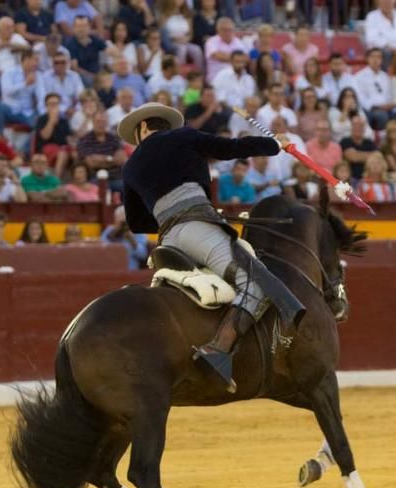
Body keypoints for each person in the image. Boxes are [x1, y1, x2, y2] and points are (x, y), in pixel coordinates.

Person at [118, 102, 300, 392]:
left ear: (142, 128)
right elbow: (230, 149)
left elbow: (137, 221)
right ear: (164, 124)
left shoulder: (130, 167)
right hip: (197, 230)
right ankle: (218, 348)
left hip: (167, 241)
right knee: (255, 282)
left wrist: (170, 215)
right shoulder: (183, 136)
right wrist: (274, 144)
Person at [355, 49, 396, 131]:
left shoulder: (385, 77)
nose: (376, 60)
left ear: (382, 60)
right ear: (367, 59)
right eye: (373, 57)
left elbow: (390, 96)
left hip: (388, 109)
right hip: (371, 110)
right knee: (381, 116)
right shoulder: (359, 77)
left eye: (378, 57)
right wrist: (378, 107)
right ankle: (382, 140)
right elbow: (362, 100)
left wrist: (391, 105)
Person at [0, 50, 43, 134]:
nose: (37, 63)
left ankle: (26, 147)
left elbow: (42, 96)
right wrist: (25, 84)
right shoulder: (9, 72)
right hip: (9, 110)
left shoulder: (38, 75)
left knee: (40, 127)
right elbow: (6, 91)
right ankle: (0, 135)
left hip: (27, 112)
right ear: (26, 59)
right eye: (35, 60)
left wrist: (42, 114)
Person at [77, 111, 126, 188]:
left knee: (128, 188)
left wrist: (101, 159)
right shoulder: (85, 140)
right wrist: (112, 160)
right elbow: (91, 163)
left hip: (116, 178)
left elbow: (121, 159)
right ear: (93, 122)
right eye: (98, 121)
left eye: (104, 122)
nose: (101, 124)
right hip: (95, 179)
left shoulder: (113, 138)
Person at [0, 16, 30, 94]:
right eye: (8, 28)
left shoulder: (17, 38)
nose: (11, 30)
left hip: (20, 75)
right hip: (0, 77)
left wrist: (9, 45)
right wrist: (10, 76)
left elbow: (29, 50)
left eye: (12, 27)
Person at [204, 18, 246, 84]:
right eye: (224, 30)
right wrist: (237, 58)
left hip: (237, 78)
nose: (227, 32)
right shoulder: (211, 41)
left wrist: (225, 56)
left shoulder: (238, 42)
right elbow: (216, 56)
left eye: (230, 30)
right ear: (218, 30)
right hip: (217, 78)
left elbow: (245, 58)